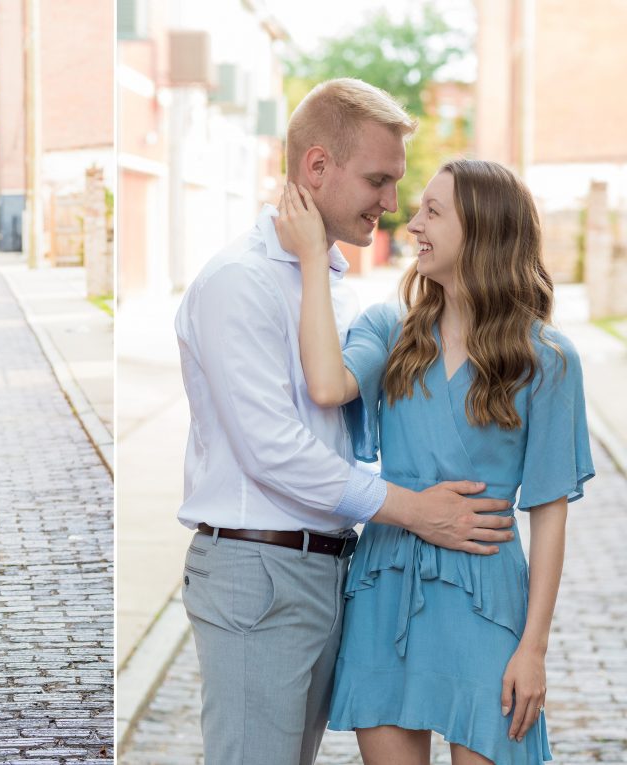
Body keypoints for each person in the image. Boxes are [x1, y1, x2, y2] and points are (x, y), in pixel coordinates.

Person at [174, 79, 517, 765]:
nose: (391, 205)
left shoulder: (329, 283)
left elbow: (335, 406)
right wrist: (412, 510)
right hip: (257, 569)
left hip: (324, 568)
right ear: (317, 167)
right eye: (378, 180)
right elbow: (273, 448)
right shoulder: (240, 281)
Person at [276, 160, 594, 764]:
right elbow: (325, 384)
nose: (412, 221)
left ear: (482, 230)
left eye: (432, 212)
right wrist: (314, 259)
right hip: (385, 586)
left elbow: (549, 516)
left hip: (485, 597)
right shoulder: (388, 328)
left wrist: (534, 649)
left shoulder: (547, 358)